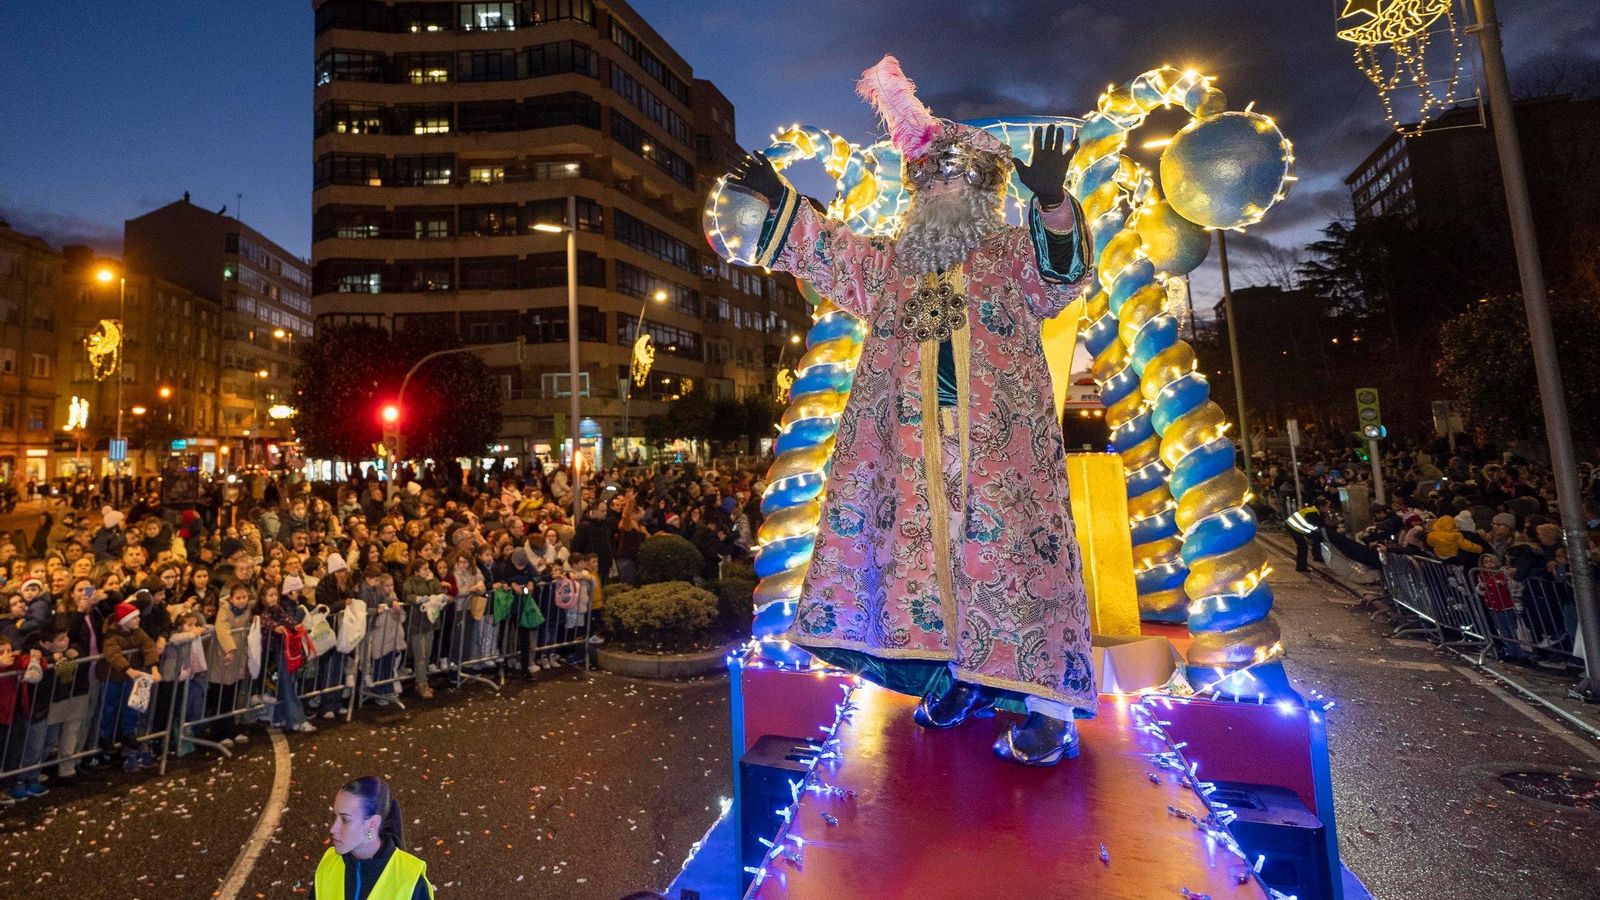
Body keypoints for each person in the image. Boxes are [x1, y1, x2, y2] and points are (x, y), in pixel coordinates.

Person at [719, 56, 1099, 765]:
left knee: (1018, 572)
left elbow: (1063, 273)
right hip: (910, 454)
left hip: (1000, 458)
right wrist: (782, 200)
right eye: (927, 178)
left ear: (983, 188)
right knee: (919, 571)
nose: (937, 188)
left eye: (951, 178)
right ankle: (956, 680)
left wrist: (1051, 203)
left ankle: (1047, 708)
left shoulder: (1011, 254)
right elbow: (830, 254)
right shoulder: (894, 264)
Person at [314, 775, 434, 899]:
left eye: (345, 819)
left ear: (372, 823)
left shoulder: (412, 880)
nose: (333, 828)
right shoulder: (327, 864)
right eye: (336, 816)